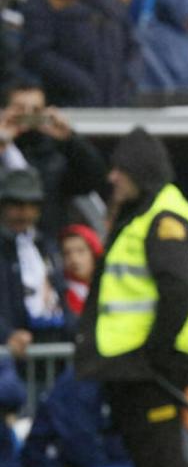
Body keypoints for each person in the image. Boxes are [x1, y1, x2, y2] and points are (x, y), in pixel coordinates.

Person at [74, 127, 188, 467]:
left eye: (120, 169)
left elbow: (176, 292)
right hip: (140, 369)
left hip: (151, 369)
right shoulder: (148, 213)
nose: (112, 177)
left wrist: (152, 355)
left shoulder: (163, 217)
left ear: (141, 170)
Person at [20, 0, 139, 107]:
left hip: (116, 107)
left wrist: (128, 82)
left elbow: (132, 46)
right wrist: (81, 84)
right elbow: (37, 53)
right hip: (68, 109)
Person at [0, 78, 108, 236]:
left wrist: (70, 139)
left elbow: (94, 179)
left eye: (36, 111)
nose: (28, 117)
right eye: (19, 109)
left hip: (46, 246)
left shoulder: (55, 156)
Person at [0, 168, 73, 362]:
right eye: (16, 204)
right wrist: (6, 335)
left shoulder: (44, 245)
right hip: (11, 363)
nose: (25, 213)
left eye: (32, 205)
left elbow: (60, 296)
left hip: (52, 354)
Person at [60, 223, 103, 316]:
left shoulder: (107, 285)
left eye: (81, 251)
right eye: (67, 253)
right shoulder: (61, 292)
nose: (74, 259)